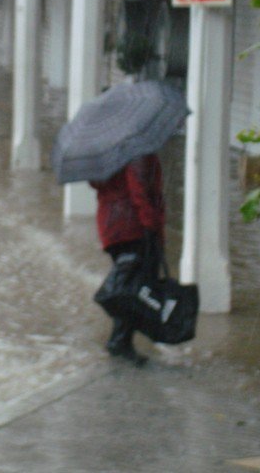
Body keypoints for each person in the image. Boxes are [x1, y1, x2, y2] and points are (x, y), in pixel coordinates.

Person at [89, 153, 166, 366]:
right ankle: (119, 342)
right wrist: (152, 225)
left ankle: (121, 340)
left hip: (111, 226)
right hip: (132, 226)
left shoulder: (107, 152)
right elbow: (138, 189)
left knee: (130, 287)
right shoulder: (138, 152)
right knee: (134, 288)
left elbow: (98, 183)